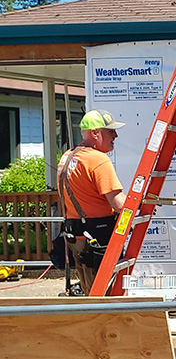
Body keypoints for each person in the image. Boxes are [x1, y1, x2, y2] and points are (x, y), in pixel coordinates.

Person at [57, 109, 127, 294]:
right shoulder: (97, 159)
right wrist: (140, 207)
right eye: (110, 131)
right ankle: (104, 322)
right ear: (95, 133)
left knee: (90, 290)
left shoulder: (68, 157)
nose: (115, 135)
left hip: (77, 237)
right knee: (104, 293)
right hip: (97, 238)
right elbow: (119, 204)